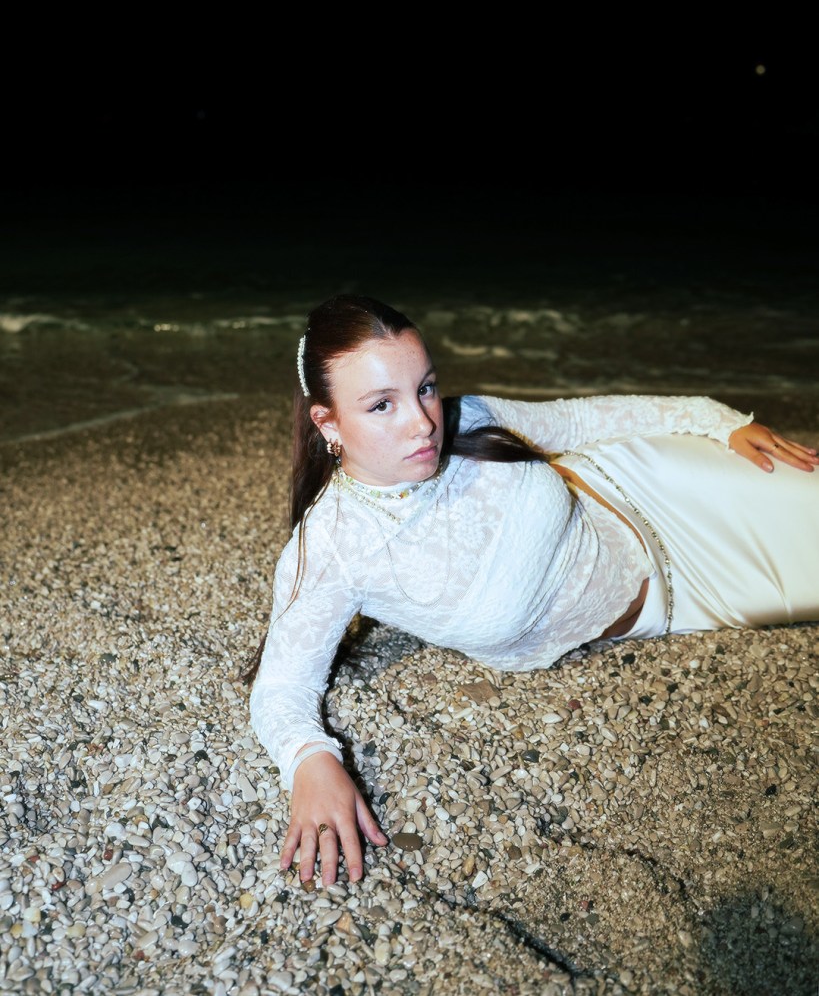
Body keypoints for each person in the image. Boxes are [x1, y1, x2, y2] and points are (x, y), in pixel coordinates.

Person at [245, 295, 819, 888]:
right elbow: (283, 687)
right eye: (382, 404)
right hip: (684, 603)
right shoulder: (331, 549)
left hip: (660, 486)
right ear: (328, 422)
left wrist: (716, 420)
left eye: (425, 388)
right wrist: (310, 761)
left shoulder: (468, 419)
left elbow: (582, 422)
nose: (423, 422)